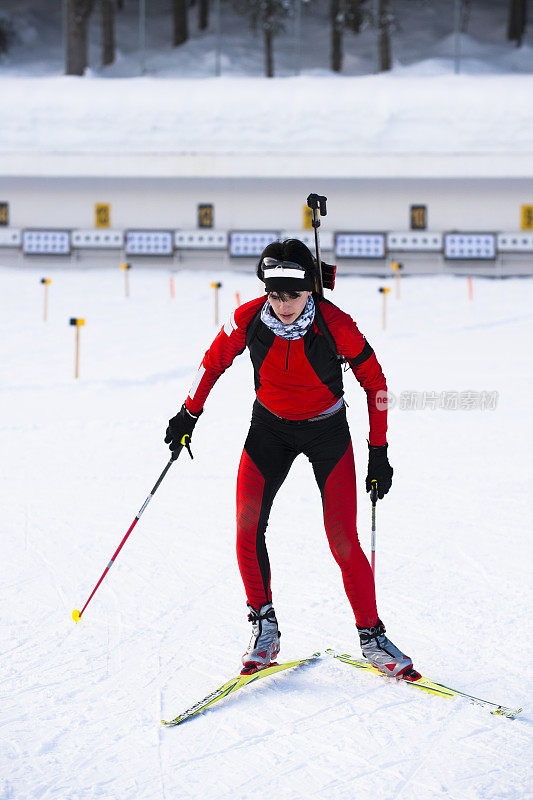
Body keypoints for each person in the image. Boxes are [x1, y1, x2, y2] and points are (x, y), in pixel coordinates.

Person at [165, 238, 418, 680]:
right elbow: (212, 363)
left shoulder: (335, 324)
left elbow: (375, 381)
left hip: (328, 433)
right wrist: (189, 413)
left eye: (294, 295)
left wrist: (379, 452)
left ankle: (372, 637)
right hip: (269, 430)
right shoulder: (248, 319)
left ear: (310, 290)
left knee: (342, 538)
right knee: (247, 526)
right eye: (276, 294)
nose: (283, 306)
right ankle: (264, 628)